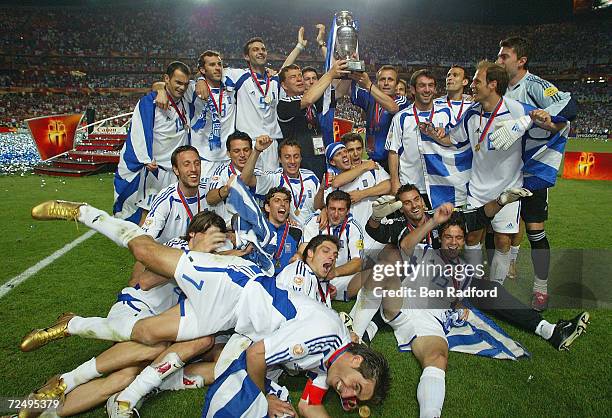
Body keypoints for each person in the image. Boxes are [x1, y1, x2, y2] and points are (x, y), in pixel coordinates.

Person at [422, 61, 568, 286]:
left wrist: (545, 121)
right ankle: (473, 284)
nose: (472, 85)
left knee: (502, 241)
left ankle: (496, 289)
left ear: (492, 84)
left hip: (509, 190)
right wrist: (433, 135)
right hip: (478, 190)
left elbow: (558, 127)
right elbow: (452, 139)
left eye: (477, 81)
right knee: (471, 237)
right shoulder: (471, 114)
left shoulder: (518, 110)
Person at [496, 36, 578, 309]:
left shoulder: (534, 85)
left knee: (535, 231)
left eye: (504, 56)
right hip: (506, 171)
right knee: (494, 226)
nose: (499, 60)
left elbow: (568, 105)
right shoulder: (502, 90)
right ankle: (495, 281)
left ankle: (540, 288)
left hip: (531, 170)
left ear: (521, 61)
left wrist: (550, 119)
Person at [114, 61, 191, 224]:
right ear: (167, 79)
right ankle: (142, 246)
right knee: (147, 213)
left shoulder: (185, 101)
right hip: (156, 169)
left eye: (185, 84)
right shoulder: (151, 102)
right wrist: (145, 158)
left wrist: (161, 88)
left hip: (175, 170)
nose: (182, 88)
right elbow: (138, 129)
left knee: (172, 213)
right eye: (178, 82)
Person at [199, 37, 283, 172]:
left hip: (270, 143)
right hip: (247, 144)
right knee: (246, 184)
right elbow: (210, 72)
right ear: (246, 56)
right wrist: (200, 80)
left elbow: (286, 72)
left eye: (263, 49)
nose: (260, 52)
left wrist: (299, 46)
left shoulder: (273, 79)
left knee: (270, 185)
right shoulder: (237, 75)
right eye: (255, 50)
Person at [386, 69, 453, 200]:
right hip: (411, 186)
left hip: (441, 184)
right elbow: (393, 152)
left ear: (434, 89)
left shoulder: (447, 113)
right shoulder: (401, 117)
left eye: (431, 85)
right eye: (422, 85)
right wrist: (395, 182)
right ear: (413, 89)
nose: (427, 90)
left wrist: (447, 134)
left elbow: (458, 141)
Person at [241, 136, 323, 227]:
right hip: (286, 235)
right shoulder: (274, 179)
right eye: (287, 157)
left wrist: (324, 211)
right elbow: (245, 180)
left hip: (312, 233)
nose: (292, 161)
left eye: (296, 157)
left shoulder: (311, 177)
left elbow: (319, 206)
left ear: (301, 158)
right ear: (279, 159)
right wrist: (256, 151)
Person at [301, 190, 365, 301]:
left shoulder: (353, 226)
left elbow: (357, 262)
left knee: (371, 276)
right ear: (326, 208)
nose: (335, 214)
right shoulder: (314, 221)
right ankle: (318, 291)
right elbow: (303, 253)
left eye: (341, 210)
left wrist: (335, 272)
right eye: (332, 209)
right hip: (314, 275)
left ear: (348, 211)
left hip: (338, 276)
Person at [345, 65, 409, 171]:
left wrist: (368, 85)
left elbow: (392, 108)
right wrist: (348, 66)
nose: (386, 83)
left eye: (390, 80)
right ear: (377, 82)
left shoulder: (401, 100)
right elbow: (346, 88)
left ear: (396, 84)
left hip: (394, 161)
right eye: (382, 79)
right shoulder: (369, 98)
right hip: (373, 159)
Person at [141, 145, 208, 243]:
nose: (193, 169)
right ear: (176, 170)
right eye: (186, 164)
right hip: (171, 255)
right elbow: (144, 241)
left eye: (197, 163)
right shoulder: (166, 199)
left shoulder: (209, 193)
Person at [326, 139, 391, 229]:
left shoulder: (372, 167)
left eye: (359, 149)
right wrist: (363, 166)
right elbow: (336, 183)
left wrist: (362, 194)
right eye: (350, 150)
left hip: (376, 230)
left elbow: (388, 185)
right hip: (352, 232)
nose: (356, 154)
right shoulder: (333, 176)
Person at [277, 64, 327, 178]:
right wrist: (330, 74)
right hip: (298, 164)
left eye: (300, 75)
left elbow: (339, 92)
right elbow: (308, 99)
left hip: (318, 157)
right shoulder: (284, 104)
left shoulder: (312, 102)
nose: (299, 79)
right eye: (293, 77)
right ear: (284, 85)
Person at [206, 130, 260, 226]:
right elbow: (210, 198)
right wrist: (227, 189)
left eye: (246, 150)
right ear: (228, 153)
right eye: (236, 151)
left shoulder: (258, 173)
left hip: (255, 229)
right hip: (228, 229)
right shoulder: (222, 172)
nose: (242, 155)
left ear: (251, 151)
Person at [276, 234, 340, 306]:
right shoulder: (299, 272)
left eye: (335, 256)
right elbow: (295, 311)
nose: (332, 257)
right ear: (310, 253)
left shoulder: (321, 281)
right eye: (325, 251)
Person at [262, 187, 302, 275]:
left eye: (286, 201)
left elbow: (302, 254)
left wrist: (299, 256)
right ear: (267, 207)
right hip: (261, 281)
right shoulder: (258, 230)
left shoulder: (296, 232)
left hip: (285, 282)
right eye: (277, 200)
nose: (283, 204)